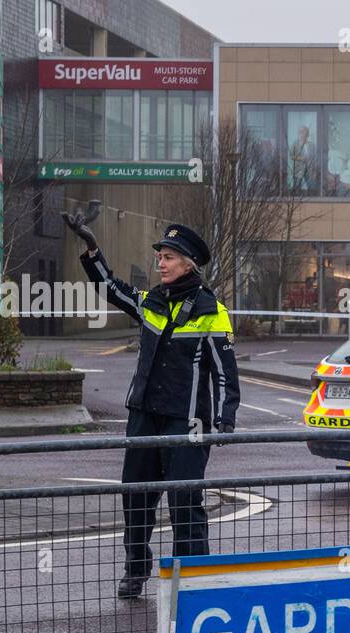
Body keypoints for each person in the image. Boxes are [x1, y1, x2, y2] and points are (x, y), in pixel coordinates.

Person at [62, 213, 240, 599]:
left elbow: (225, 373)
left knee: (184, 500)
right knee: (137, 497)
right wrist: (92, 249)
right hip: (144, 415)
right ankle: (136, 569)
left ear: (188, 263)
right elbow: (109, 287)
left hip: (187, 421)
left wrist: (226, 418)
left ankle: (191, 576)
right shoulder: (151, 302)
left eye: (169, 257)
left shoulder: (212, 311)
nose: (160, 262)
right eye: (160, 255)